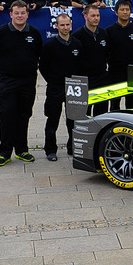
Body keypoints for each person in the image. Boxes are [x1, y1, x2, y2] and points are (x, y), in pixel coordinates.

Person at [0, 1, 43, 166]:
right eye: (16, 13)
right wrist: (5, 68)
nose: (20, 16)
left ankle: (22, 150)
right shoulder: (2, 32)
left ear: (27, 14)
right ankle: (4, 152)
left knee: (24, 114)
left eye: (22, 13)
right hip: (7, 81)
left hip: (28, 81)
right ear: (11, 14)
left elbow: (39, 54)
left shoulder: (34, 33)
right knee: (6, 115)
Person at [39, 13, 82, 160]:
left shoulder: (77, 44)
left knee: (73, 120)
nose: (65, 27)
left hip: (73, 88)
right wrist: (53, 81)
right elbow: (43, 67)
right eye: (62, 25)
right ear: (56, 26)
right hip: (55, 88)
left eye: (67, 24)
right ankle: (50, 150)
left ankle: (72, 147)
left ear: (71, 25)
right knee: (52, 119)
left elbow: (81, 66)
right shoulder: (49, 45)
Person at [106, 0, 133, 110]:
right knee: (115, 105)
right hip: (115, 73)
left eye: (127, 10)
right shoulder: (109, 31)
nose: (125, 12)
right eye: (122, 10)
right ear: (116, 12)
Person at [72, 4, 111, 115]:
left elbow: (108, 54)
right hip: (85, 80)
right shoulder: (77, 36)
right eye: (93, 15)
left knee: (102, 112)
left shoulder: (103, 34)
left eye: (98, 15)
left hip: (102, 78)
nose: (96, 18)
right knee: (84, 113)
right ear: (85, 16)